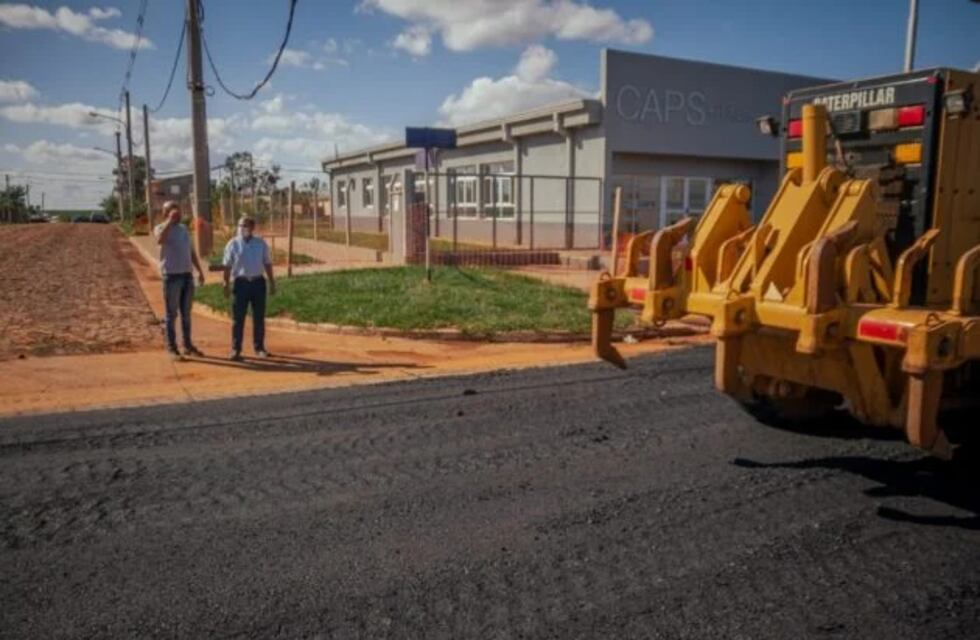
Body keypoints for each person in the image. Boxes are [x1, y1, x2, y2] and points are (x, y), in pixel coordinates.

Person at [154, 201, 206, 360]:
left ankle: (187, 345)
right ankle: (172, 347)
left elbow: (190, 251)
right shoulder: (160, 228)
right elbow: (159, 240)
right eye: (170, 209)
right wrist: (169, 221)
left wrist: (199, 270)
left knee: (186, 314)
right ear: (165, 213)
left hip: (186, 276)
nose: (176, 211)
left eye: (177, 209)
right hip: (172, 276)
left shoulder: (184, 229)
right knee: (171, 314)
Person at [222, 215, 276, 361]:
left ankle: (259, 348)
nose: (242, 228)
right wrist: (226, 283)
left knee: (259, 317)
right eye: (240, 225)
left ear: (252, 228)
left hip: (258, 283)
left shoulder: (260, 244)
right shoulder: (232, 244)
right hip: (241, 284)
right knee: (238, 318)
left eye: (245, 225)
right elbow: (227, 266)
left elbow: (267, 263)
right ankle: (235, 349)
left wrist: (272, 282)